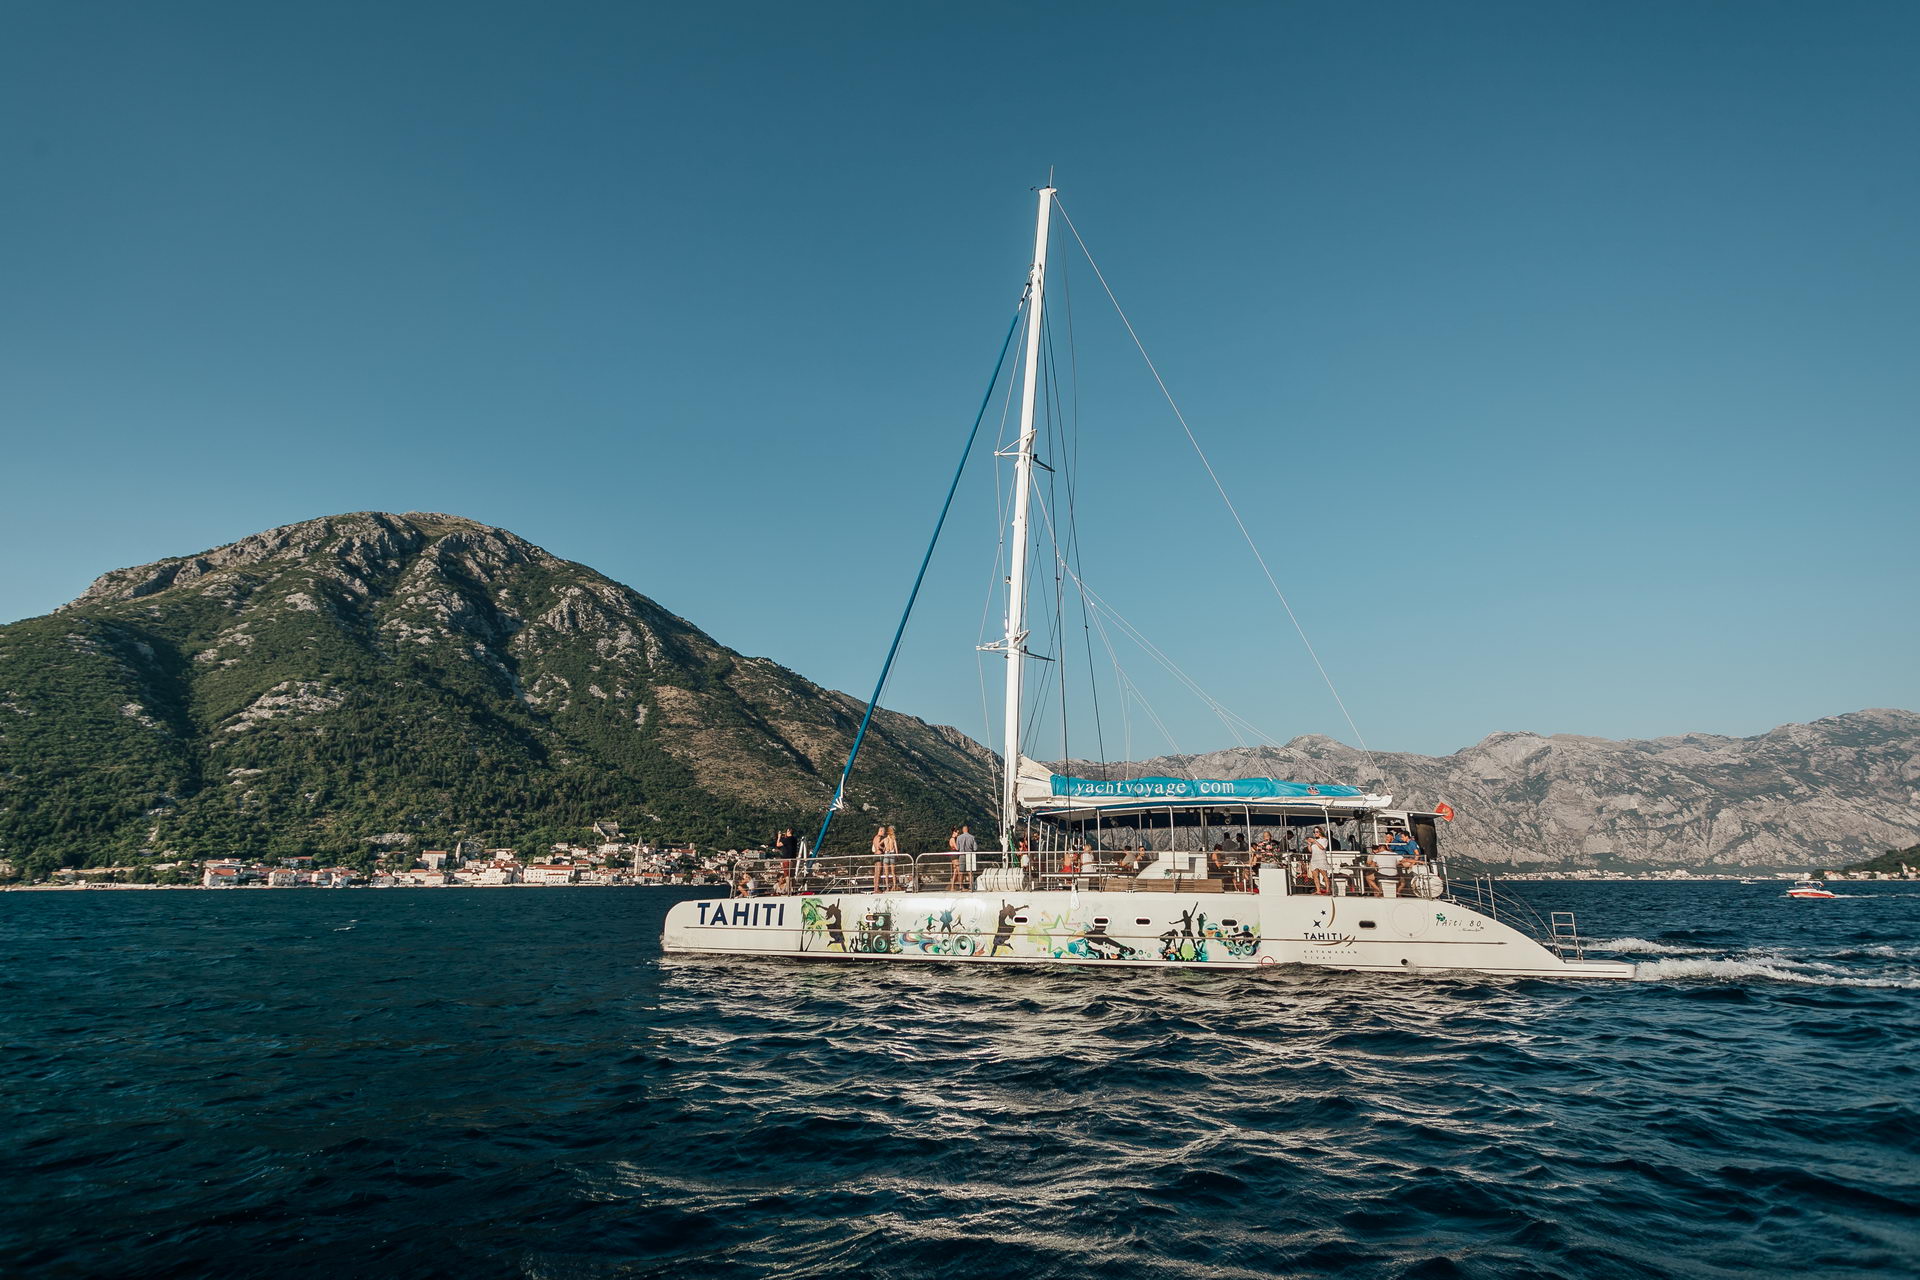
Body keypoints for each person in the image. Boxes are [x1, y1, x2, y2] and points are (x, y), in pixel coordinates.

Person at [1305, 827, 1332, 895]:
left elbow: (1322, 848)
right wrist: (1309, 844)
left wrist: (1315, 841)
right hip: (1314, 859)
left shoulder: (1324, 840)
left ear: (1320, 832)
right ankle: (1318, 890)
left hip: (1321, 859)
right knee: (1315, 876)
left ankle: (1328, 890)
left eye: (1316, 831)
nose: (1315, 833)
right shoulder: (1314, 841)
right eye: (1314, 832)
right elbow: (1310, 850)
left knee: (1324, 875)